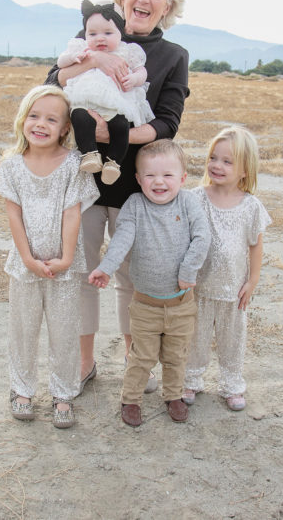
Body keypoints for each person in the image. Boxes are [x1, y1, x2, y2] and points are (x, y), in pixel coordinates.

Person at [45, 0, 190, 397]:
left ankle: (134, 358)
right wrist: (95, 63)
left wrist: (112, 131)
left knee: (131, 275)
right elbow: (52, 82)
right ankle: (86, 362)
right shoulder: (93, 35)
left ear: (168, 5)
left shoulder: (172, 56)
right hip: (84, 181)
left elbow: (167, 121)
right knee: (82, 270)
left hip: (136, 187)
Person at [0, 85, 99, 428]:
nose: (41, 124)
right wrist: (26, 258)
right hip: (25, 266)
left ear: (66, 128)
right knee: (23, 328)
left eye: (52, 119)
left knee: (64, 330)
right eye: (34, 116)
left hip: (63, 267)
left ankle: (63, 393)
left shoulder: (72, 165)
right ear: (23, 119)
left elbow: (72, 213)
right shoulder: (11, 166)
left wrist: (67, 258)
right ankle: (22, 389)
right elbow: (13, 215)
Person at [88, 139, 211, 427]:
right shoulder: (134, 205)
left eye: (168, 175)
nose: (159, 182)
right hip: (144, 304)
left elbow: (202, 238)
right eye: (150, 175)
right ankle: (130, 399)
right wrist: (106, 268)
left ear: (182, 178)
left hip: (181, 302)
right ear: (138, 179)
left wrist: (188, 270)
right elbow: (122, 239)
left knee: (176, 354)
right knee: (141, 356)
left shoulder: (189, 202)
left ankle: (173, 395)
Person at [183, 127, 271, 411]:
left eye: (228, 161)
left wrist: (253, 280)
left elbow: (255, 245)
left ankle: (232, 384)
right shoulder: (195, 198)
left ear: (246, 169)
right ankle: (191, 380)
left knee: (232, 339)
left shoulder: (251, 206)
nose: (217, 166)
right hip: (199, 286)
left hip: (233, 288)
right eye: (213, 158)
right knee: (195, 336)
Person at [57, 0, 153, 185]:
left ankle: (113, 164)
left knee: (121, 126)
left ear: (120, 32)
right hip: (85, 101)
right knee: (79, 117)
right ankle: (90, 155)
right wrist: (72, 57)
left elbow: (142, 72)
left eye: (108, 33)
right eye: (92, 33)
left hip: (115, 103)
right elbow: (61, 63)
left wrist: (134, 79)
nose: (100, 38)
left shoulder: (127, 51)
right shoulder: (82, 49)